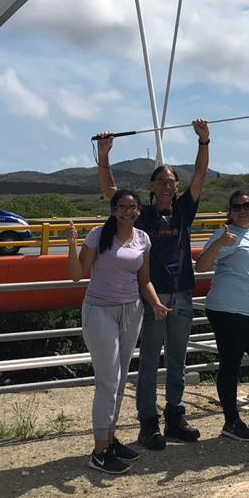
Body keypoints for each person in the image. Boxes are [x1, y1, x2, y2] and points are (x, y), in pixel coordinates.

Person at [96, 119, 210, 450]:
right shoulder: (139, 214)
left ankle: (175, 417)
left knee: (177, 360)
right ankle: (149, 422)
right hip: (150, 298)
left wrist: (204, 142)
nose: (166, 186)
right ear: (151, 185)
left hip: (182, 295)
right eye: (161, 181)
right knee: (148, 361)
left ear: (177, 187)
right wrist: (104, 156)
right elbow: (110, 191)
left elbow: (200, 176)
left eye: (171, 182)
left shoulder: (184, 210)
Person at [67, 189, 170, 475]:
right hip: (100, 310)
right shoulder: (98, 235)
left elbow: (144, 279)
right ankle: (99, 451)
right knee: (108, 380)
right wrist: (72, 245)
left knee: (121, 378)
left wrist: (156, 303)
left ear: (139, 210)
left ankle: (110, 440)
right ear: (113, 209)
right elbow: (77, 274)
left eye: (133, 207)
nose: (128, 211)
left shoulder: (143, 238)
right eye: (123, 207)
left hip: (132, 310)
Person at [197, 190, 249, 441]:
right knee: (230, 365)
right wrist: (220, 243)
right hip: (227, 311)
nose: (243, 210)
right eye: (237, 207)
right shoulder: (225, 235)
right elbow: (202, 266)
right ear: (230, 211)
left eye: (248, 205)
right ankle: (231, 422)